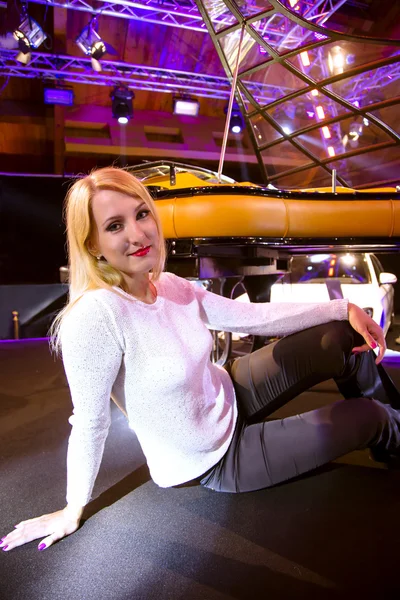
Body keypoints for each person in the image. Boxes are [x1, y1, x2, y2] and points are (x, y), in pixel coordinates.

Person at [2, 166, 400, 553]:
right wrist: (73, 509)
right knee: (371, 418)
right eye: (114, 226)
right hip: (214, 459)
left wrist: (341, 308)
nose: (138, 234)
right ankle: (390, 426)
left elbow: (251, 316)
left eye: (141, 214)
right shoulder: (95, 316)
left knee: (341, 337)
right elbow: (90, 422)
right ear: (92, 244)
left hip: (229, 390)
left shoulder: (169, 284)